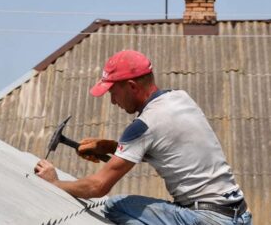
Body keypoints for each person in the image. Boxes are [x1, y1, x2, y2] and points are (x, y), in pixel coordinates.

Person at [35, 50, 252, 224]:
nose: (113, 101)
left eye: (113, 92)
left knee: (115, 205)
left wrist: (55, 182)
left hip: (205, 219)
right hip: (239, 214)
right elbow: (167, 146)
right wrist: (110, 146)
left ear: (131, 86)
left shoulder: (143, 126)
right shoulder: (180, 98)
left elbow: (97, 188)